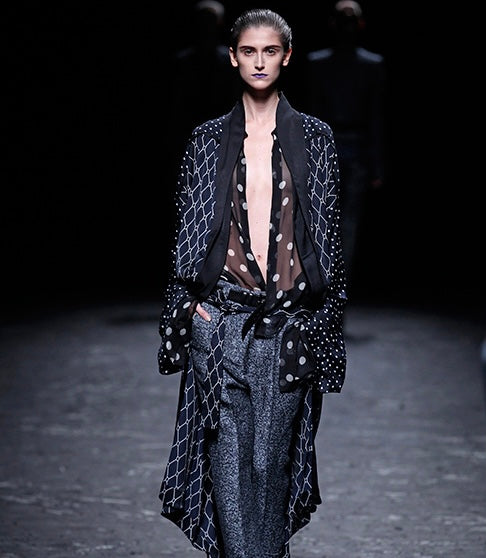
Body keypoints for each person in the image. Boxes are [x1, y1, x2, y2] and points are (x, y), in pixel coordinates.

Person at [157, 8, 347, 558]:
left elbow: (328, 238)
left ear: (286, 56)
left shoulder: (316, 138)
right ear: (233, 57)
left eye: (269, 51)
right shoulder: (206, 139)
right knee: (228, 464)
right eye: (248, 51)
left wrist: (324, 320)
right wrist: (188, 311)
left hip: (288, 328)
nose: (259, 62)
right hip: (220, 322)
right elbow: (188, 230)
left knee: (271, 463)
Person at [305, 0, 386, 294]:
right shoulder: (317, 63)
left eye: (351, 21)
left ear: (360, 25)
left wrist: (376, 164)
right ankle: (324, 291)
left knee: (344, 227)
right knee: (321, 225)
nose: (347, 27)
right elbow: (310, 114)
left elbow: (376, 116)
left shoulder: (371, 65)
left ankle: (335, 292)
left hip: (355, 151)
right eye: (343, 21)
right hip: (326, 150)